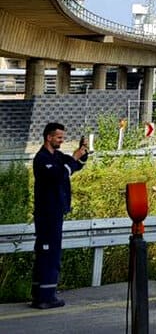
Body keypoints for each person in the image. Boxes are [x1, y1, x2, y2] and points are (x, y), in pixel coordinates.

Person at [31, 122, 88, 309]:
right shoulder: (42, 159)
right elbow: (58, 175)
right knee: (48, 253)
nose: (62, 141)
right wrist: (73, 159)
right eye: (59, 138)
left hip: (56, 211)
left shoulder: (57, 156)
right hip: (47, 213)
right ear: (49, 137)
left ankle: (43, 293)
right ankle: (45, 296)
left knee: (50, 253)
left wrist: (82, 153)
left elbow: (75, 166)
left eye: (62, 138)